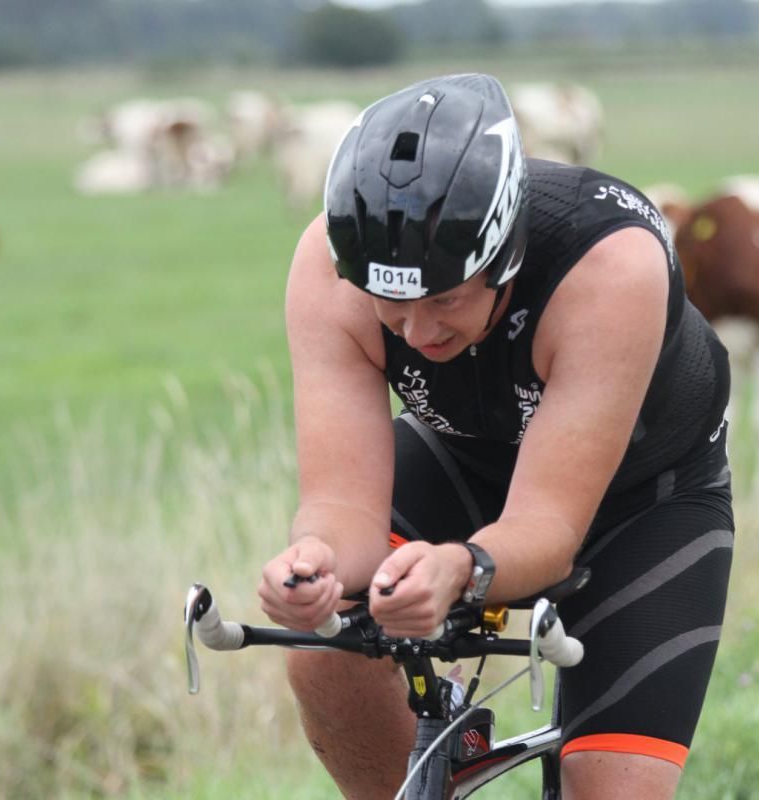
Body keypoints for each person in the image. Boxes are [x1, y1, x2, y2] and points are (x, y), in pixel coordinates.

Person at [257, 73, 734, 800]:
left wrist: (462, 569)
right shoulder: (330, 268)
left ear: (504, 255)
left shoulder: (610, 264)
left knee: (610, 786)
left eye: (445, 299)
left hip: (646, 497)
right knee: (325, 656)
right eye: (391, 304)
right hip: (465, 455)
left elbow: (547, 529)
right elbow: (342, 506)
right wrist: (314, 563)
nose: (418, 331)